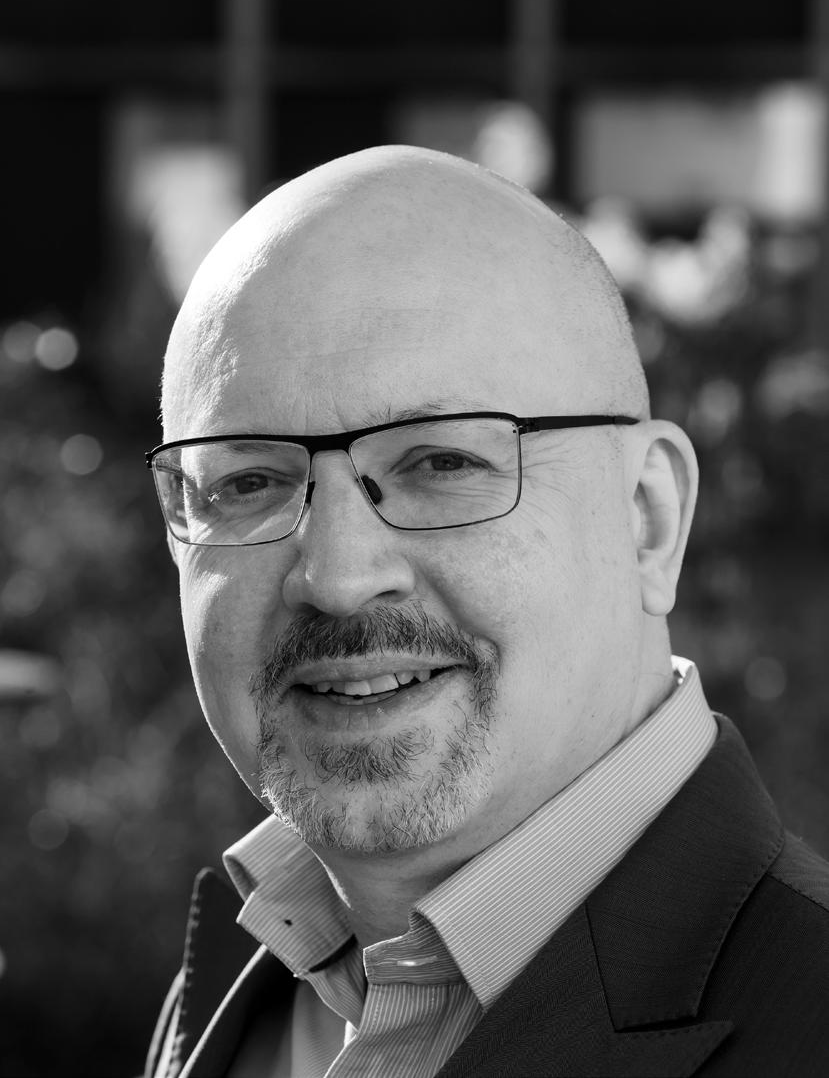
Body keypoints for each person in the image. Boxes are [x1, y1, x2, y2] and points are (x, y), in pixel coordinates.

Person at [144, 146, 829, 1078]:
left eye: (442, 463)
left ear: (647, 518)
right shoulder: (246, 990)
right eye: (248, 482)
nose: (338, 576)